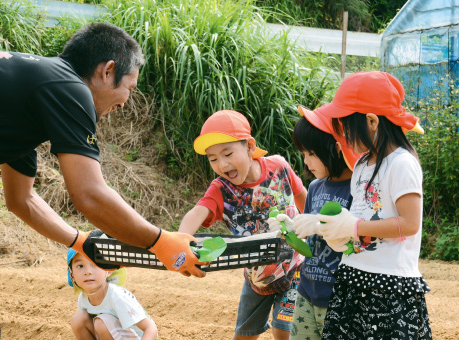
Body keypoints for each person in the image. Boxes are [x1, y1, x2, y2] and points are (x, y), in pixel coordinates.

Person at [0, 22, 205, 340]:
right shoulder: (68, 86)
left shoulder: (23, 104)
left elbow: (21, 200)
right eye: (130, 88)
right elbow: (90, 195)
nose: (125, 102)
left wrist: (80, 242)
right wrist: (161, 241)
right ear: (107, 71)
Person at [296, 71, 431, 339]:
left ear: (371, 121)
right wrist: (335, 233)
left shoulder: (402, 163)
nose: (342, 134)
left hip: (389, 284)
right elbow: (358, 215)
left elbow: (410, 223)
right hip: (353, 277)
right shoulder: (361, 165)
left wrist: (354, 227)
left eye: (345, 126)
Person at [178, 110, 308, 340]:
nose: (222, 164)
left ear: (249, 147)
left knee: (284, 330)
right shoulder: (221, 189)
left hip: (294, 267)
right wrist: (179, 240)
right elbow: (197, 212)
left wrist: (316, 225)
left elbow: (303, 197)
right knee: (244, 335)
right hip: (256, 277)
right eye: (213, 159)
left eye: (228, 153)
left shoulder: (278, 167)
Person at [284, 108, 361, 340]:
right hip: (307, 291)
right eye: (303, 154)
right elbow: (307, 243)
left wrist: (318, 224)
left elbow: (358, 238)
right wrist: (289, 230)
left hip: (339, 296)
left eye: (311, 153)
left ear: (336, 149)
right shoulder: (316, 187)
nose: (306, 161)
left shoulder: (357, 189)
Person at [67, 249, 158, 340]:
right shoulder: (83, 299)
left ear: (109, 270)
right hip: (114, 334)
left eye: (95, 264)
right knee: (78, 319)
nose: (88, 272)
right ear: (72, 275)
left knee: (101, 323)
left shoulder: (117, 297)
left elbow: (150, 328)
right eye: (80, 266)